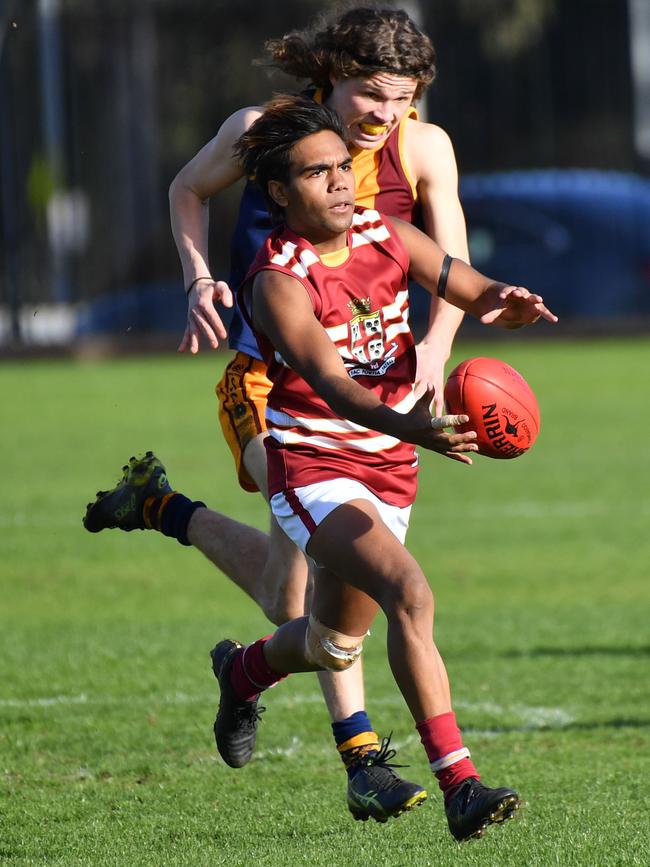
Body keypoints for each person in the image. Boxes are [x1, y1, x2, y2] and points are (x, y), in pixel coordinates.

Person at [84, 6, 469, 823]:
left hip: (368, 401)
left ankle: (160, 505)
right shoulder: (263, 131)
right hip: (269, 386)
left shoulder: (422, 147)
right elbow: (186, 190)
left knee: (282, 594)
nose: (385, 116)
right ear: (331, 74)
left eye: (402, 99)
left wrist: (436, 349)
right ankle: (363, 759)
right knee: (330, 590)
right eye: (371, 94)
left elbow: (453, 264)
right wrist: (198, 280)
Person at [211, 94, 556, 841]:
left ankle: (241, 673)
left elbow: (462, 281)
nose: (340, 182)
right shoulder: (278, 280)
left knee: (330, 641)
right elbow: (335, 387)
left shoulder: (387, 232)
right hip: (317, 464)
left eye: (343, 167)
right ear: (279, 192)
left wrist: (506, 300)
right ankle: (461, 783)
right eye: (317, 173)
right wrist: (413, 423)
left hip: (390, 466)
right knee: (410, 590)